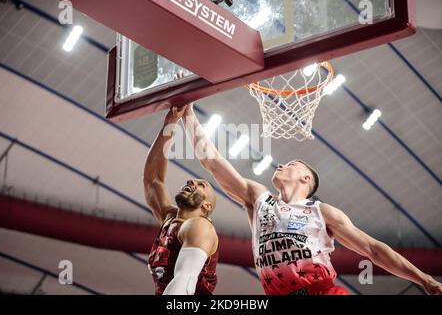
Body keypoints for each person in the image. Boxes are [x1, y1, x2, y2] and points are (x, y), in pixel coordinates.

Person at [181, 104, 442, 295]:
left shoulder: (322, 211)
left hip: (322, 291)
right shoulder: (258, 198)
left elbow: (373, 250)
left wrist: (423, 278)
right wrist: (188, 116)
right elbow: (212, 162)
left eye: (292, 164)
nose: (281, 163)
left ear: (306, 179)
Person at [143, 106, 219, 295]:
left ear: (206, 206)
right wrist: (169, 124)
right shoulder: (170, 219)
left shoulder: (200, 227)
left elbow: (185, 281)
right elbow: (153, 180)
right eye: (193, 180)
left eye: (202, 185)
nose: (192, 181)